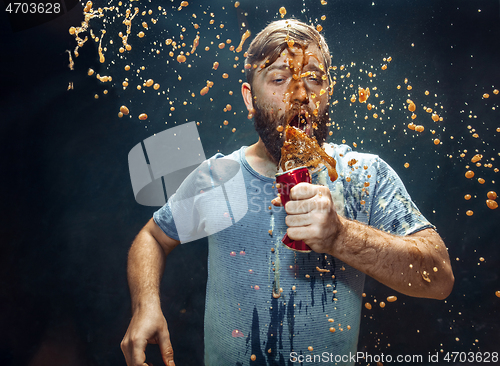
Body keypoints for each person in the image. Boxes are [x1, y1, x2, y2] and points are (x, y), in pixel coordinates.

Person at [121, 19, 454, 366]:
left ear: (328, 91)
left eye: (313, 77)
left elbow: (439, 278)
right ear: (250, 98)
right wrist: (145, 306)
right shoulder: (220, 179)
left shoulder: (362, 175)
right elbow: (153, 239)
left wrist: (340, 236)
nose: (300, 95)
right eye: (279, 78)